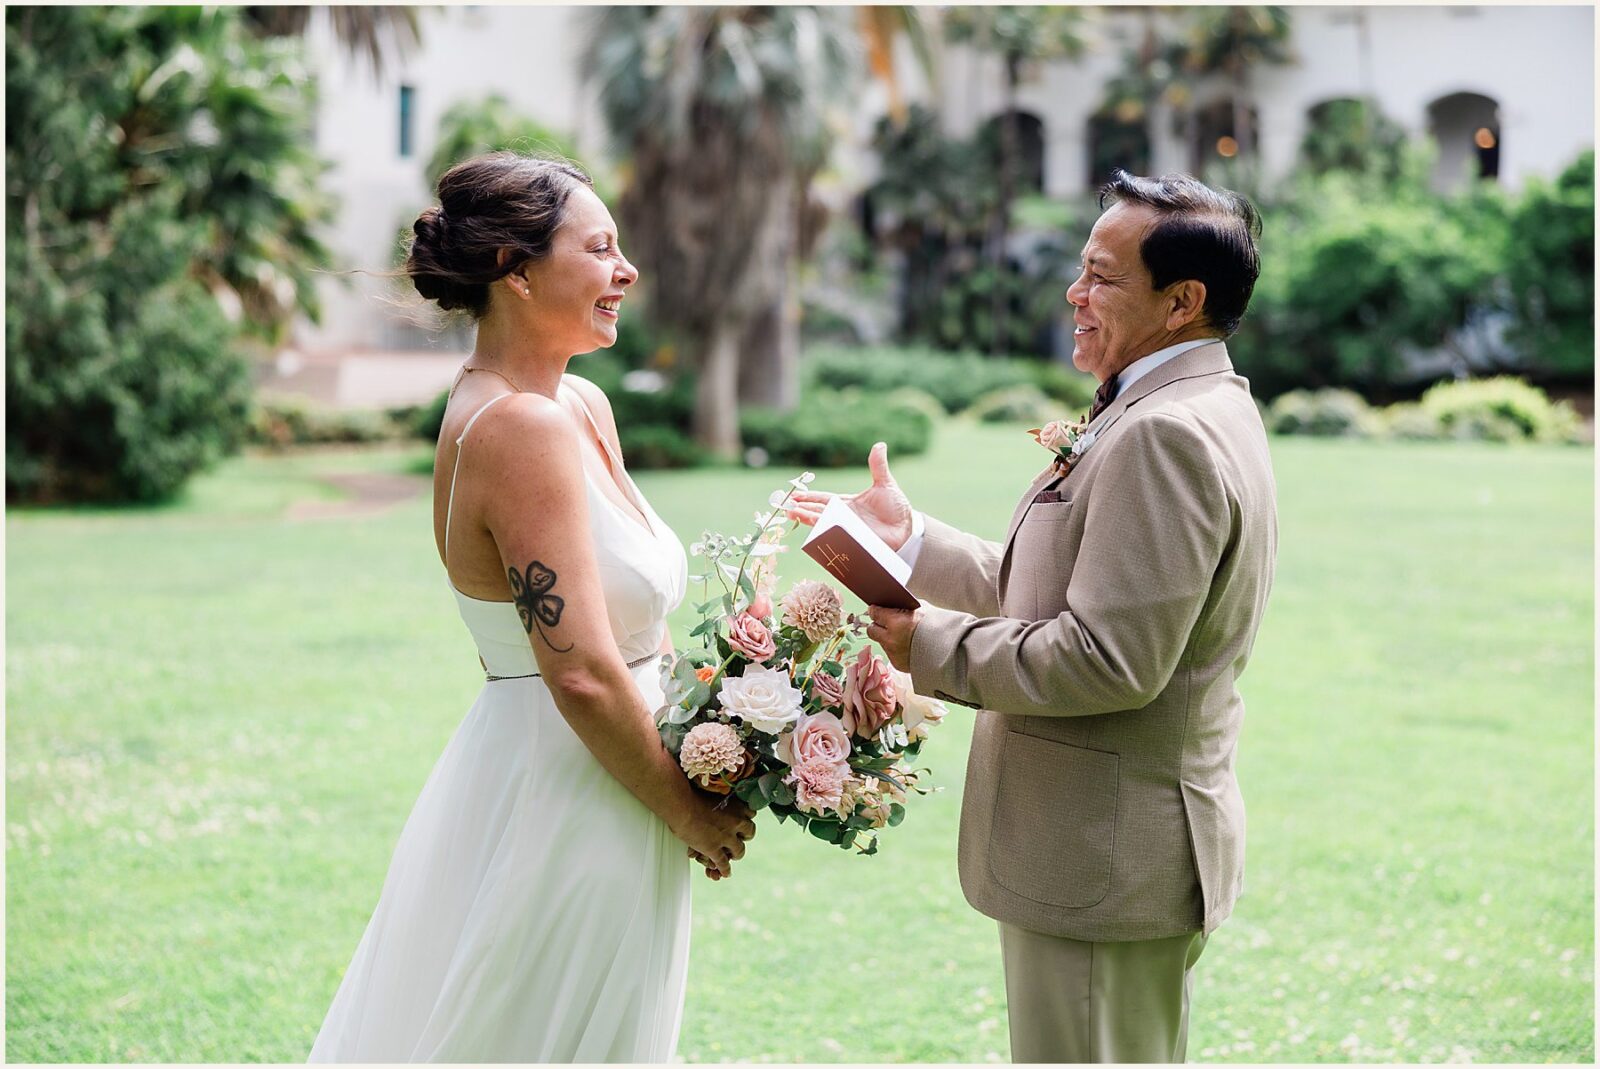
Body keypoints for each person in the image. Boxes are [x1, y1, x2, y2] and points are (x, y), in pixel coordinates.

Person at [790, 170, 1278, 1063]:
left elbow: (1107, 657)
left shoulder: (1163, 433)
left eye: (1101, 275)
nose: (1074, 293)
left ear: (1183, 301)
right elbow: (1059, 587)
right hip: (1101, 850)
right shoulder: (1187, 402)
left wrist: (923, 642)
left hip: (1106, 857)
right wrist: (911, 542)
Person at [308, 152, 753, 1063]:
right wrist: (686, 808)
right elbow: (583, 668)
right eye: (600, 248)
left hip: (622, 771)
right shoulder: (519, 427)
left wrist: (732, 722)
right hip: (568, 790)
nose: (625, 271)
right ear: (515, 270)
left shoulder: (578, 404)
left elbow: (635, 628)